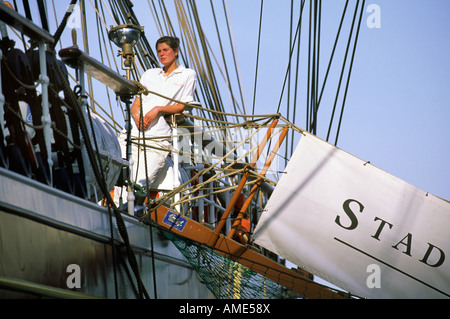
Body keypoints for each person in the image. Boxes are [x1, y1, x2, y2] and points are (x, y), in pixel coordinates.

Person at [120, 36, 197, 190]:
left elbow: (182, 106)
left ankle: (130, 211)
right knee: (120, 179)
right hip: (133, 134)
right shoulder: (149, 74)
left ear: (175, 52)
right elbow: (136, 105)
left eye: (165, 50)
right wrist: (136, 116)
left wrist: (158, 109)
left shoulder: (187, 74)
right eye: (159, 51)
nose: (162, 54)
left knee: (141, 182)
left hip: (158, 139)